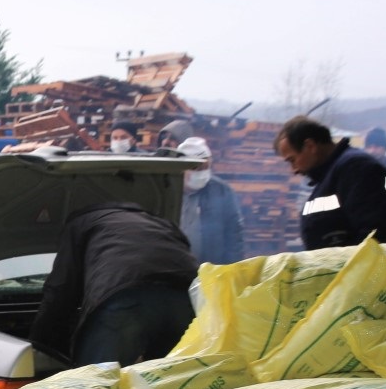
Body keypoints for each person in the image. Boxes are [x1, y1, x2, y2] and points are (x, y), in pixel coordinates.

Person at [30, 202, 199, 366]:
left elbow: (61, 290)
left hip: (127, 299)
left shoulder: (81, 223)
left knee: (95, 385)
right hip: (187, 298)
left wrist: (39, 343)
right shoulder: (162, 224)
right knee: (176, 384)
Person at [276, 115, 386, 250]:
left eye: (292, 160)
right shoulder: (329, 177)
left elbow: (374, 237)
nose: (294, 170)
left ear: (310, 146)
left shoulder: (356, 168)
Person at [176, 137, 245, 265]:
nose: (202, 173)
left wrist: (231, 267)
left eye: (206, 167)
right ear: (181, 168)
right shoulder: (168, 190)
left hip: (211, 269)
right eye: (196, 168)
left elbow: (234, 232)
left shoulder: (221, 190)